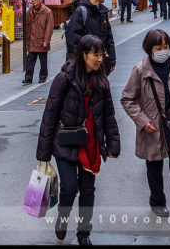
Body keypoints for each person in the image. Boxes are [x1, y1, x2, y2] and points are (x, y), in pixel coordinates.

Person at [37, 35, 121, 245]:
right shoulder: (64, 78)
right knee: (69, 187)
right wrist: (44, 153)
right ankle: (62, 221)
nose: (100, 58)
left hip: (90, 144)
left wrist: (112, 143)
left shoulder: (102, 82)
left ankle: (84, 233)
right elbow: (50, 114)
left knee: (88, 190)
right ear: (83, 55)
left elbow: (109, 115)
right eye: (95, 54)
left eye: (102, 54)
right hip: (64, 141)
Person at [120, 29, 170, 230]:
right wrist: (141, 120)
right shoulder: (140, 70)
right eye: (158, 48)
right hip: (152, 126)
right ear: (149, 49)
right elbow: (127, 98)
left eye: (166, 47)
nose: (163, 51)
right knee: (154, 166)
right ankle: (157, 201)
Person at [65, 0, 117, 75]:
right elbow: (72, 40)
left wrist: (111, 59)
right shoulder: (80, 12)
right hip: (85, 64)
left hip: (101, 62)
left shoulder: (102, 12)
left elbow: (109, 38)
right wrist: (82, 60)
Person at [23, 0, 55, 84]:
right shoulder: (30, 11)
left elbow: (49, 28)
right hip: (32, 39)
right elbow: (27, 26)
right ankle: (28, 79)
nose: (33, 0)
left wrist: (46, 40)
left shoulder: (47, 12)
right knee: (30, 60)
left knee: (43, 60)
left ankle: (43, 77)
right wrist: (27, 39)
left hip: (41, 39)